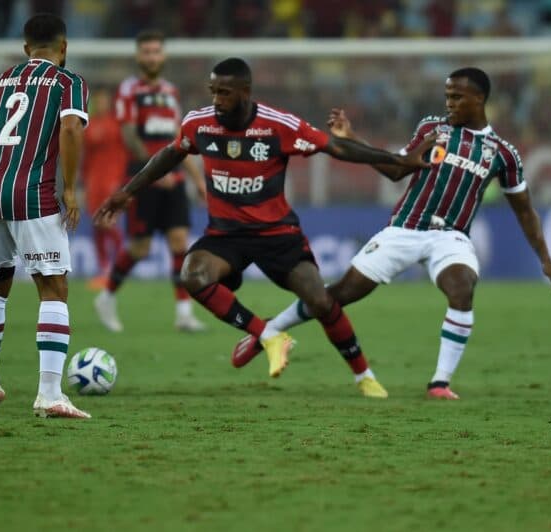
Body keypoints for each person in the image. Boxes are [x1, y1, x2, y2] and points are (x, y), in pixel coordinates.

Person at [95, 57, 431, 395]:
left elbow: (336, 147)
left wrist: (398, 160)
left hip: (277, 235)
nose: (217, 100)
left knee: (321, 301)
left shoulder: (278, 125)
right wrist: (127, 191)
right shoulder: (200, 123)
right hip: (225, 235)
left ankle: (364, 376)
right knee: (193, 275)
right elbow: (170, 154)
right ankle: (269, 336)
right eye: (213, 92)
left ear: (245, 92)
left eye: (224, 92)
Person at [231, 67, 551, 399]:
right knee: (339, 296)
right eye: (447, 96)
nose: (449, 103)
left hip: (451, 237)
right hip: (404, 228)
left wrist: (546, 260)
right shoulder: (432, 128)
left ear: (479, 99)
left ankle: (440, 383)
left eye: (457, 97)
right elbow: (395, 170)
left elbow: (524, 210)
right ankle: (270, 329)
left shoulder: (504, 153)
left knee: (462, 289)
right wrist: (352, 138)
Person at [0, 13, 90, 419]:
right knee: (54, 289)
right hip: (33, 194)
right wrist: (72, 188)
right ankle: (49, 393)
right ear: (63, 48)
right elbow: (72, 130)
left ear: (26, 49)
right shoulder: (69, 82)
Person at [94, 30, 208, 334]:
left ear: (164, 55)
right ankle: (106, 297)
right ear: (138, 56)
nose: (151, 56)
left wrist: (198, 179)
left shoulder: (171, 92)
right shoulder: (129, 90)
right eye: (146, 51)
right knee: (140, 248)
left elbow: (180, 139)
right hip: (142, 179)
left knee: (179, 242)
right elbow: (129, 135)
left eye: (156, 51)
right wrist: (158, 172)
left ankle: (184, 312)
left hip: (175, 178)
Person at [81, 86, 128, 290]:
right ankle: (104, 269)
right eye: (98, 101)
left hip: (111, 180)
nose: (101, 104)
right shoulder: (88, 126)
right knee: (97, 224)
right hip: (94, 181)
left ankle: (118, 267)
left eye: (104, 100)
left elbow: (124, 154)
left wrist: (120, 180)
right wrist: (83, 182)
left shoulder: (116, 124)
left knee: (109, 222)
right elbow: (85, 158)